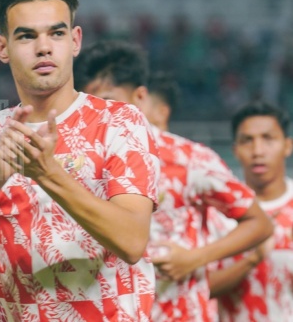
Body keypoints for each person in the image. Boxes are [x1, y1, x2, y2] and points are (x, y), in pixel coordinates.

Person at [0, 0, 161, 321]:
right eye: (26, 35)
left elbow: (131, 241)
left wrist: (47, 172)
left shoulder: (120, 121)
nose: (44, 47)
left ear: (75, 40)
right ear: (1, 47)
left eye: (57, 33)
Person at [73, 40, 273, 321]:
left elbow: (259, 223)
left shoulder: (187, 159)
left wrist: (195, 258)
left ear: (140, 97)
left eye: (109, 101)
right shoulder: (78, 167)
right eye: (92, 106)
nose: (101, 115)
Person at [207, 101, 293, 321]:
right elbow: (203, 288)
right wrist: (253, 258)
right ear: (235, 150)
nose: (257, 151)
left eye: (268, 138)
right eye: (247, 141)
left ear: (287, 145)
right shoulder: (217, 214)